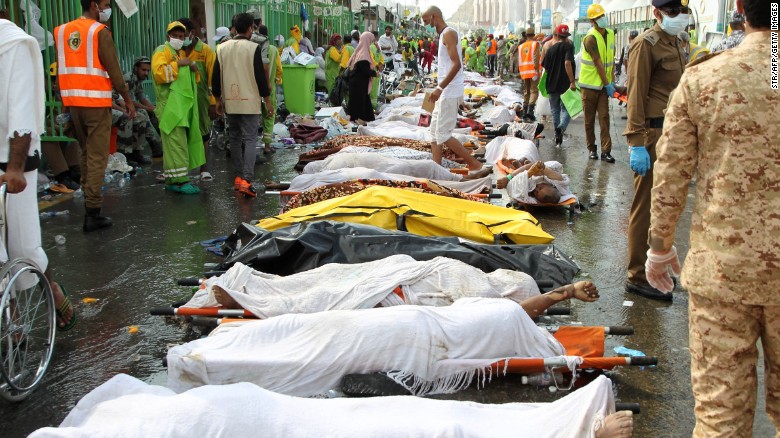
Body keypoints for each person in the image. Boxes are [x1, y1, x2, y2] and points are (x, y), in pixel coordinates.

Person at [644, 0, 777, 435]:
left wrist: (659, 247)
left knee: (721, 418)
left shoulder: (705, 75)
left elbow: (671, 172)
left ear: (740, 7)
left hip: (723, 274)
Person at [0, 18, 75, 330]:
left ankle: (52, 288)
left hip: (12, 159)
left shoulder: (12, 43)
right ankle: (11, 318)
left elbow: (21, 109)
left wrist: (16, 167)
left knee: (22, 243)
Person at [623, 0, 687, 302]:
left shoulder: (677, 41)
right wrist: (636, 141)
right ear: (657, 13)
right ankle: (637, 274)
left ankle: (656, 265)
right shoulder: (645, 44)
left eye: (682, 11)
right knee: (645, 204)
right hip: (651, 133)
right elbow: (636, 93)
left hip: (673, 132)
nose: (679, 17)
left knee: (665, 204)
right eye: (672, 11)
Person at [54, 0, 134, 232]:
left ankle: (88, 199)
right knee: (98, 156)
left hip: (74, 103)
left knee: (86, 152)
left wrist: (64, 104)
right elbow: (114, 70)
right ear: (94, 5)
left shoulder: (62, 31)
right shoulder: (99, 32)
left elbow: (61, 68)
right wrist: (126, 99)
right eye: (106, 4)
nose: (108, 9)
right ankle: (93, 212)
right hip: (96, 103)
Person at [212, 13, 272, 198]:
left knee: (235, 139)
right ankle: (247, 179)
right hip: (250, 101)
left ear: (234, 28)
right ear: (250, 29)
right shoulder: (253, 48)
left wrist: (218, 99)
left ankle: (238, 179)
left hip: (231, 101)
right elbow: (260, 77)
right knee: (250, 139)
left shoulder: (221, 48)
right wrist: (267, 101)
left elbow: (215, 77)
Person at [421, 8, 484, 173]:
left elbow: (456, 65)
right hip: (444, 90)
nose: (425, 25)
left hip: (448, 92)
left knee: (443, 134)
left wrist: (440, 88)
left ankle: (475, 164)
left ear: (435, 17)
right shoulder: (443, 35)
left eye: (426, 21)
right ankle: (437, 169)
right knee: (434, 133)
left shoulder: (448, 33)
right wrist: (437, 87)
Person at [151, 21, 206, 195]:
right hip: (170, 108)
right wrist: (180, 65)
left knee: (178, 145)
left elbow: (193, 79)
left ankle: (172, 179)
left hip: (180, 108)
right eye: (175, 36)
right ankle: (181, 181)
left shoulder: (179, 53)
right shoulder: (162, 51)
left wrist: (193, 68)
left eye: (182, 36)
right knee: (177, 145)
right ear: (169, 36)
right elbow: (160, 74)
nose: (179, 39)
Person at [177, 18, 216, 182]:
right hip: (181, 98)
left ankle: (204, 169)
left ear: (192, 33)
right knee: (181, 133)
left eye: (183, 35)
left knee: (203, 133)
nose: (181, 38)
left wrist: (213, 102)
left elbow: (212, 78)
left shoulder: (205, 51)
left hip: (201, 99)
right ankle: (181, 169)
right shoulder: (175, 51)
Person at [579, 4, 616, 163]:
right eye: (599, 17)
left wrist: (612, 82)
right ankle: (591, 149)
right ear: (592, 21)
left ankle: (606, 151)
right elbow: (598, 63)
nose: (603, 19)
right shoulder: (590, 38)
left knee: (604, 118)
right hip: (589, 86)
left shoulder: (610, 34)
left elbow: (611, 61)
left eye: (603, 15)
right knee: (589, 120)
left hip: (603, 87)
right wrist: (608, 84)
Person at [542, 24, 576, 147]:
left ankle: (557, 136)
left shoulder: (550, 49)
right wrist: (572, 81)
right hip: (565, 84)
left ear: (556, 35)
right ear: (567, 36)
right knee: (567, 109)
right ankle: (561, 129)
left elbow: (545, 67)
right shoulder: (568, 47)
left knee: (555, 109)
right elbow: (567, 63)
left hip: (551, 84)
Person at [123, 56, 163, 157]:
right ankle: (153, 144)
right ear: (136, 68)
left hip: (128, 106)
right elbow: (130, 101)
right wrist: (148, 108)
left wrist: (153, 109)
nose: (146, 73)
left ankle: (161, 141)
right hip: (120, 105)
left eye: (148, 71)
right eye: (143, 70)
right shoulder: (129, 79)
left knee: (152, 112)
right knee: (144, 112)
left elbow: (142, 98)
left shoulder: (138, 79)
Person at [496, 160, 574, 205]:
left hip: (529, 176)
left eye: (536, 193)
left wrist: (510, 179)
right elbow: (533, 167)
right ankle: (521, 167)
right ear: (551, 186)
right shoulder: (558, 180)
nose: (536, 188)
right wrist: (509, 177)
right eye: (540, 187)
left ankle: (520, 167)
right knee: (529, 169)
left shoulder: (532, 191)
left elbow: (516, 189)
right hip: (536, 170)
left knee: (519, 184)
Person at [258, 24, 282, 155]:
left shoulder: (253, 47)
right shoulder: (273, 50)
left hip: (252, 90)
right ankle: (267, 146)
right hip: (269, 88)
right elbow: (279, 69)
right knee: (269, 115)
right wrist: (277, 80)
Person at [346, 31, 377, 123]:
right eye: (370, 41)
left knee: (361, 100)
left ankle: (365, 117)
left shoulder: (361, 51)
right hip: (358, 83)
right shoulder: (363, 53)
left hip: (358, 82)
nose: (371, 43)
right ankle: (359, 118)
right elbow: (365, 70)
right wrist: (375, 73)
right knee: (359, 101)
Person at [518, 27, 541, 122]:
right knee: (534, 91)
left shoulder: (521, 46)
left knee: (526, 92)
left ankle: (524, 113)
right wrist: (536, 71)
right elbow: (535, 58)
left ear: (526, 35)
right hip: (532, 72)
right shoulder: (535, 44)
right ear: (534, 35)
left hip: (524, 72)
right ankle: (530, 113)